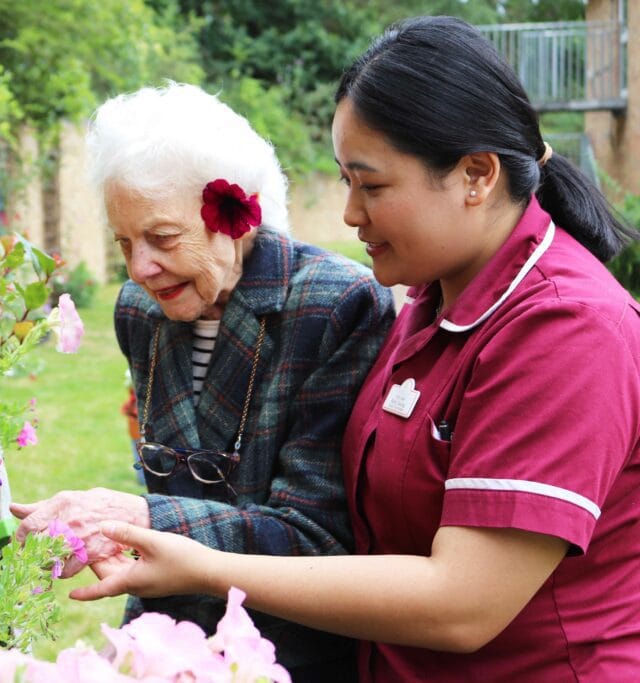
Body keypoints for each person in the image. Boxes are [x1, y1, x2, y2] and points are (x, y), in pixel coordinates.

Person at [70, 16, 640, 682]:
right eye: (345, 180)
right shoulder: (431, 305)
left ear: (476, 175)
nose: (348, 213)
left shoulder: (565, 330)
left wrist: (198, 561)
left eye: (371, 186)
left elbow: (463, 604)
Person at [11, 82, 395, 680]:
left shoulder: (335, 305)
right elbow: (169, 475)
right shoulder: (140, 312)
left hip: (283, 654)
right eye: (124, 244)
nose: (140, 269)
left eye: (162, 238)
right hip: (168, 640)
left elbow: (314, 539)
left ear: (234, 216)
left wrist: (139, 518)